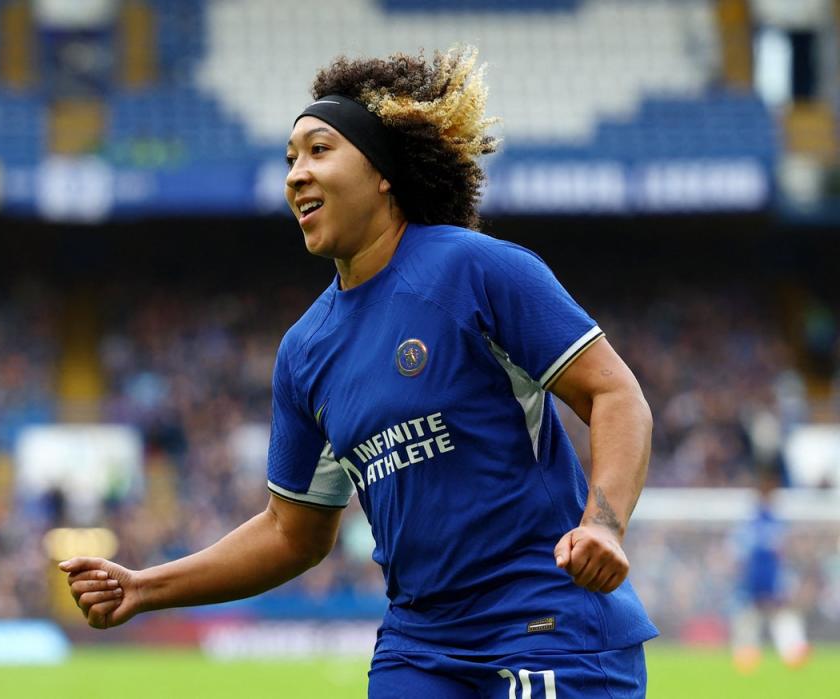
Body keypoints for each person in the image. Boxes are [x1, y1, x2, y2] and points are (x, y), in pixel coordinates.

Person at [60, 47, 658, 697]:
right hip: (421, 643)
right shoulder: (305, 351)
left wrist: (602, 524)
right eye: (289, 159)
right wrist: (144, 585)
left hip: (548, 621)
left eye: (319, 150)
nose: (296, 174)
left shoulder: (479, 271)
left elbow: (613, 391)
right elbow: (291, 533)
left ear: (382, 173)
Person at [730, 471, 810, 673]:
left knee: (777, 616)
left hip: (771, 579)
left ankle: (792, 651)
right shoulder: (754, 522)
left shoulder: (773, 522)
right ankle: (748, 655)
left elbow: (783, 553)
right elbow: (740, 554)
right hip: (755, 579)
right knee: (750, 618)